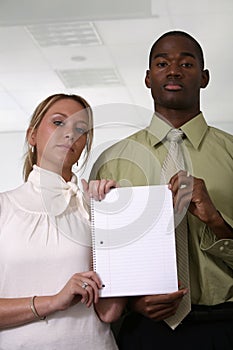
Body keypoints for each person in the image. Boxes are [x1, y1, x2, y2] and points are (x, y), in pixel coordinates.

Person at [89, 31, 233, 349]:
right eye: (162, 62)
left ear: (205, 77)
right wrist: (131, 303)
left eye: (186, 63)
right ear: (147, 77)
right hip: (143, 330)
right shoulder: (112, 161)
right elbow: (97, 258)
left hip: (224, 326)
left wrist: (217, 222)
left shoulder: (231, 154)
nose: (173, 70)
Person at [0, 93, 126, 350]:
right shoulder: (4, 207)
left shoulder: (96, 210)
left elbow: (110, 312)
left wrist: (110, 217)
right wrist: (54, 301)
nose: (70, 133)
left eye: (80, 129)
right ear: (32, 136)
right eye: (58, 123)